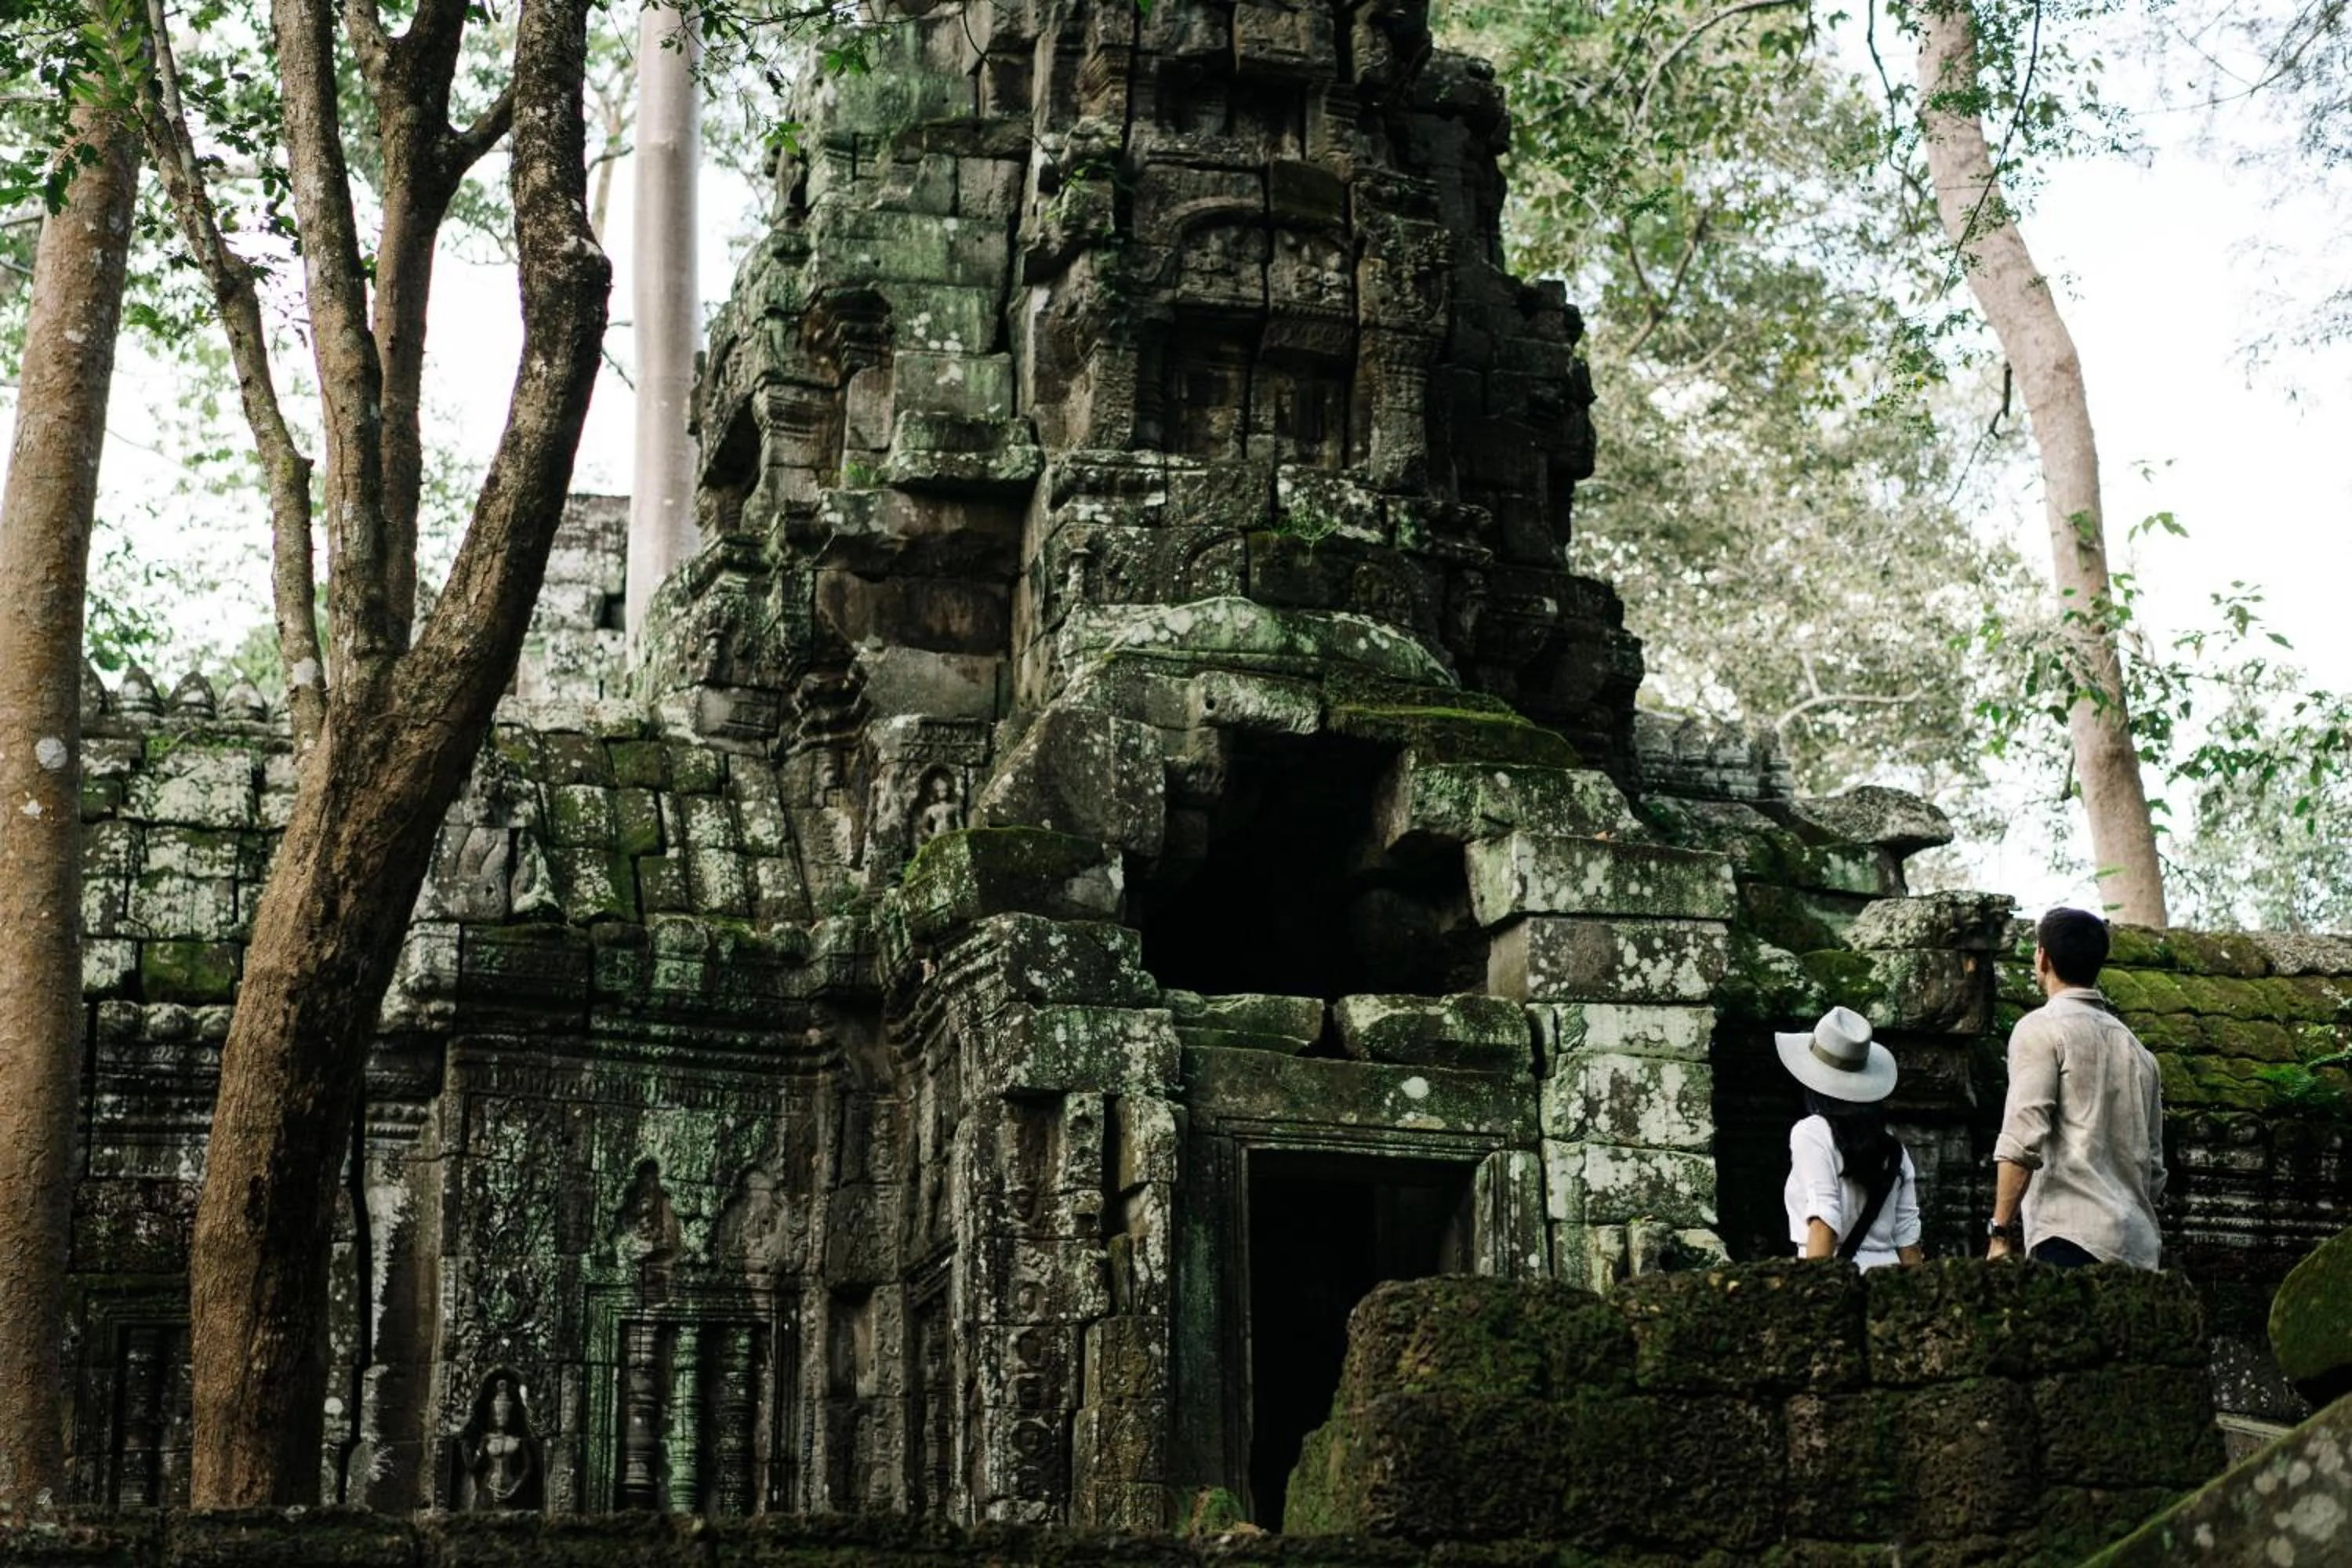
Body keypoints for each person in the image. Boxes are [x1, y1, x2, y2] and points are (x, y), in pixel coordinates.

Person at [1987, 907, 2167, 1269]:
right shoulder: (2138, 1051)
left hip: (2069, 1237)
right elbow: (2155, 1170)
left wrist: (2000, 1232)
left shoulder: (2041, 1029)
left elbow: (2022, 1139)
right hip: (2137, 1247)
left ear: (2043, 958)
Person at [1777, 1005, 1925, 1268]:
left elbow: (1824, 1223)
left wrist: (1816, 1295)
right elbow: (1908, 1238)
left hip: (1837, 1276)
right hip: (1889, 1282)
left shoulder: (1812, 1133)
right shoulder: (1892, 1146)